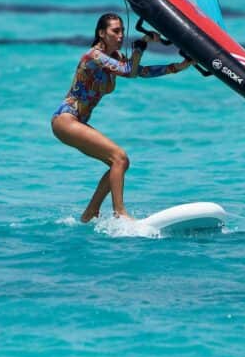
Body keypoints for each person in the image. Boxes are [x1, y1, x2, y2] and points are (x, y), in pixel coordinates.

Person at [51, 13, 194, 222]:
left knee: (120, 163)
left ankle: (90, 213)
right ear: (102, 33)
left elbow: (138, 72)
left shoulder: (115, 58)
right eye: (115, 31)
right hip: (65, 119)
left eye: (122, 31)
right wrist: (142, 44)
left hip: (77, 122)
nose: (120, 36)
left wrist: (176, 67)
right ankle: (120, 213)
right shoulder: (94, 56)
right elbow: (129, 70)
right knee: (119, 157)